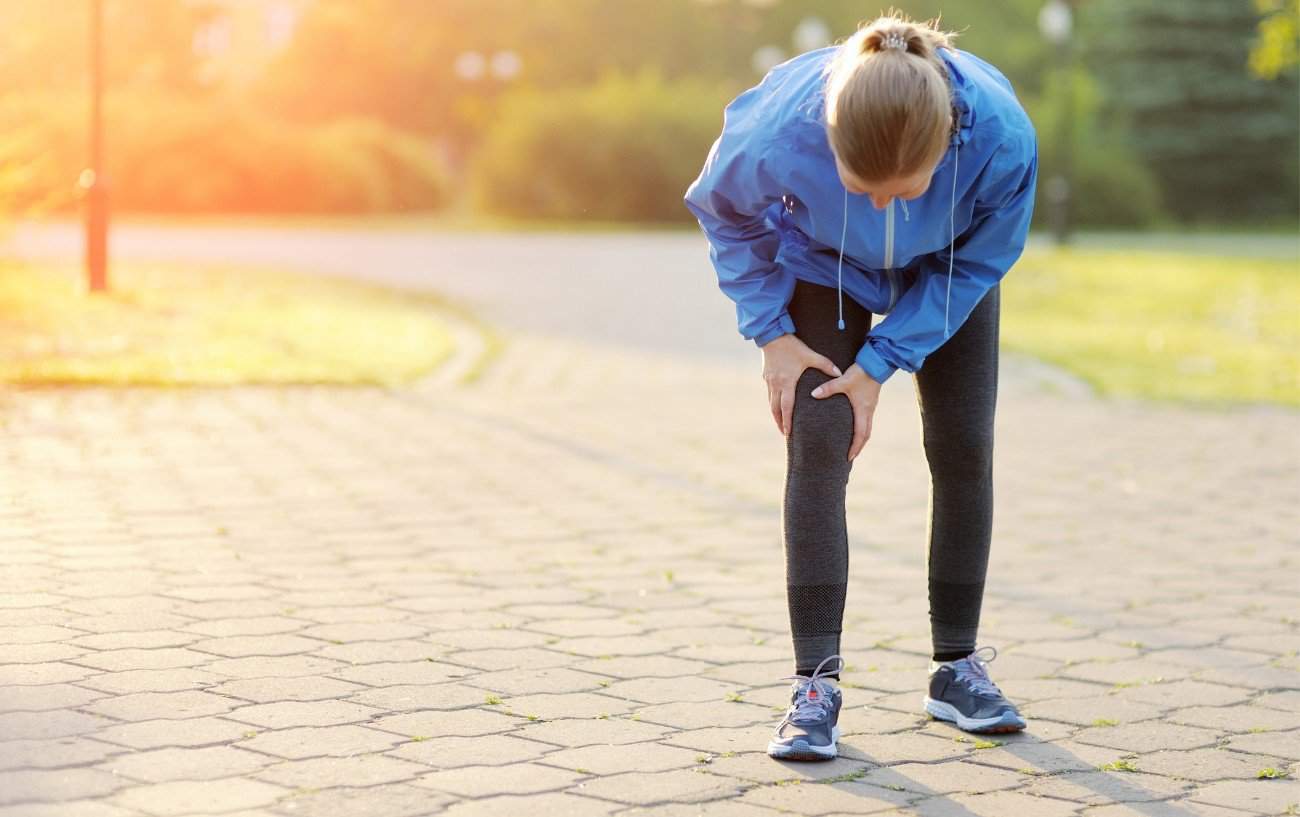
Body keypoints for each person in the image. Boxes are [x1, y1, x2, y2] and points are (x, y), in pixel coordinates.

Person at [683, 9, 1039, 761]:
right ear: (828, 142)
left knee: (964, 443)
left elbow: (981, 259)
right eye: (862, 187)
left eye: (905, 190)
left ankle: (957, 669)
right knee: (818, 438)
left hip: (947, 270)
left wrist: (882, 361)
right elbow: (723, 208)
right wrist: (771, 333)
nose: (884, 205)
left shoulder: (1002, 138)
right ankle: (815, 684)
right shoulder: (781, 127)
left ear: (946, 148)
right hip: (824, 265)